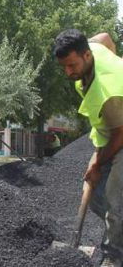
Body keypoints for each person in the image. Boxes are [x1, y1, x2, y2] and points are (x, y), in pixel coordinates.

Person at [54, 29, 123, 267]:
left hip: (120, 132)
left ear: (85, 56)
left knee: (116, 201)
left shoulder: (109, 91)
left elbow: (119, 135)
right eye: (64, 66)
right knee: (96, 197)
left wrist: (97, 162)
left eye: (72, 65)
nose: (68, 72)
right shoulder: (92, 47)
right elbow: (104, 36)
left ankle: (115, 256)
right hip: (111, 130)